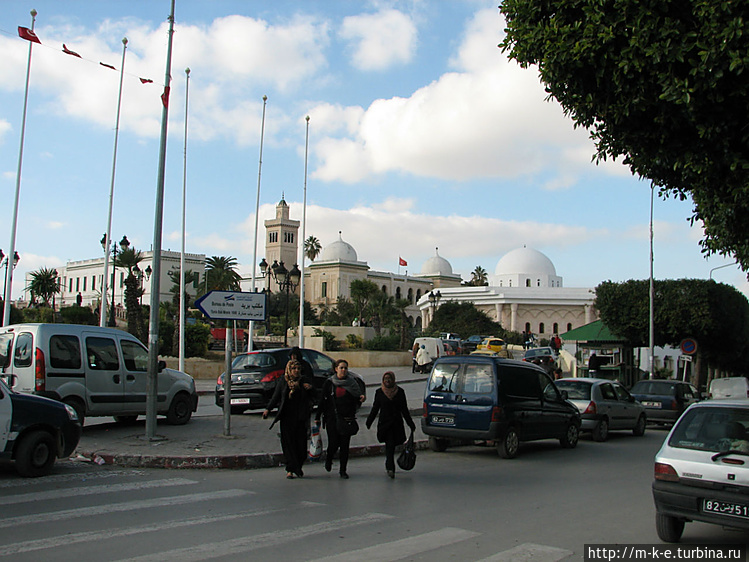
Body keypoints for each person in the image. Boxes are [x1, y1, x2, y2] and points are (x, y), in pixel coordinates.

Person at [262, 359, 314, 479]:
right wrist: (268, 409)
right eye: (294, 369)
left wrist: (309, 388)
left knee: (301, 446)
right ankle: (290, 469)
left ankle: (298, 466)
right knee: (288, 444)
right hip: (287, 418)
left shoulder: (304, 381)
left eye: (298, 369)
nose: (296, 371)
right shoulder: (283, 381)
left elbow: (315, 395)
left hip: (301, 418)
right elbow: (276, 396)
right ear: (289, 370)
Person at [316, 359, 365, 479]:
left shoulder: (352, 383)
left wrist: (361, 398)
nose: (343, 370)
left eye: (345, 368)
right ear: (336, 369)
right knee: (333, 443)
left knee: (344, 446)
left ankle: (343, 470)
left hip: (346, 418)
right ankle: (329, 458)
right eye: (341, 368)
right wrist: (317, 417)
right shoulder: (329, 383)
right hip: (332, 418)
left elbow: (356, 398)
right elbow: (322, 401)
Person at [366, 371, 416, 479]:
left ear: (393, 380)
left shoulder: (400, 392)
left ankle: (389, 464)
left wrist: (410, 424)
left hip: (396, 424)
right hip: (385, 424)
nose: (387, 381)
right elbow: (375, 408)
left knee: (393, 445)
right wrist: (369, 421)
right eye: (385, 379)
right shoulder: (379, 392)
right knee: (389, 445)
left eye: (389, 379)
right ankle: (390, 467)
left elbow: (404, 410)